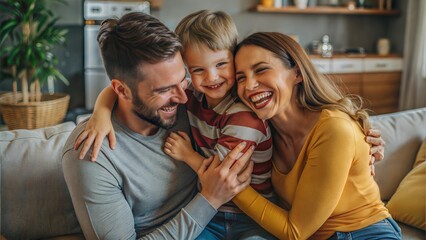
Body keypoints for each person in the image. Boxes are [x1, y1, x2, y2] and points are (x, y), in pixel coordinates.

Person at [62, 12, 254, 239]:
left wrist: (101, 108)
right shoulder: (91, 154)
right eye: (164, 90)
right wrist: (211, 199)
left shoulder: (191, 101)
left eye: (183, 79)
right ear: (122, 90)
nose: (184, 97)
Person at [230, 31, 402, 239]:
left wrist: (232, 188)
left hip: (365, 233)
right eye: (241, 78)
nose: (249, 85)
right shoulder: (261, 134)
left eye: (261, 70)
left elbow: (295, 231)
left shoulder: (333, 128)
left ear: (297, 73)